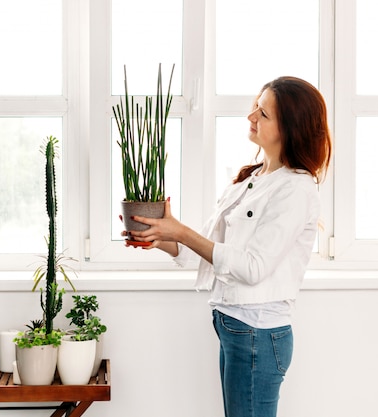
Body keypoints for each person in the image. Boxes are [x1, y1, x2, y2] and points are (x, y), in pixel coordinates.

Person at [123, 76, 332, 417]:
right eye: (255, 108)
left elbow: (252, 267)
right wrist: (161, 237)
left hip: (257, 335)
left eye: (263, 114)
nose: (251, 117)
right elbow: (206, 254)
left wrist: (182, 231)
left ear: (290, 127)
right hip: (234, 327)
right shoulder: (250, 179)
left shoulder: (296, 189)